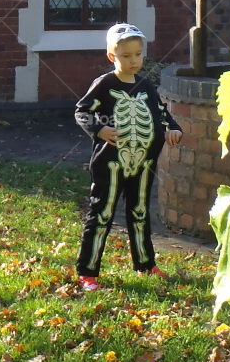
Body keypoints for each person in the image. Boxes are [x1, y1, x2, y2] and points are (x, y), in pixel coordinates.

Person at [74, 22, 182, 290]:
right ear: (112, 57)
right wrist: (99, 130)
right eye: (126, 56)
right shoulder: (105, 84)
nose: (134, 60)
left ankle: (145, 263)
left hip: (144, 162)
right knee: (102, 213)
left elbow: (160, 111)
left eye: (138, 54)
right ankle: (88, 272)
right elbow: (82, 111)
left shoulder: (145, 85)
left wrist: (173, 129)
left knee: (140, 211)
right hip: (111, 164)